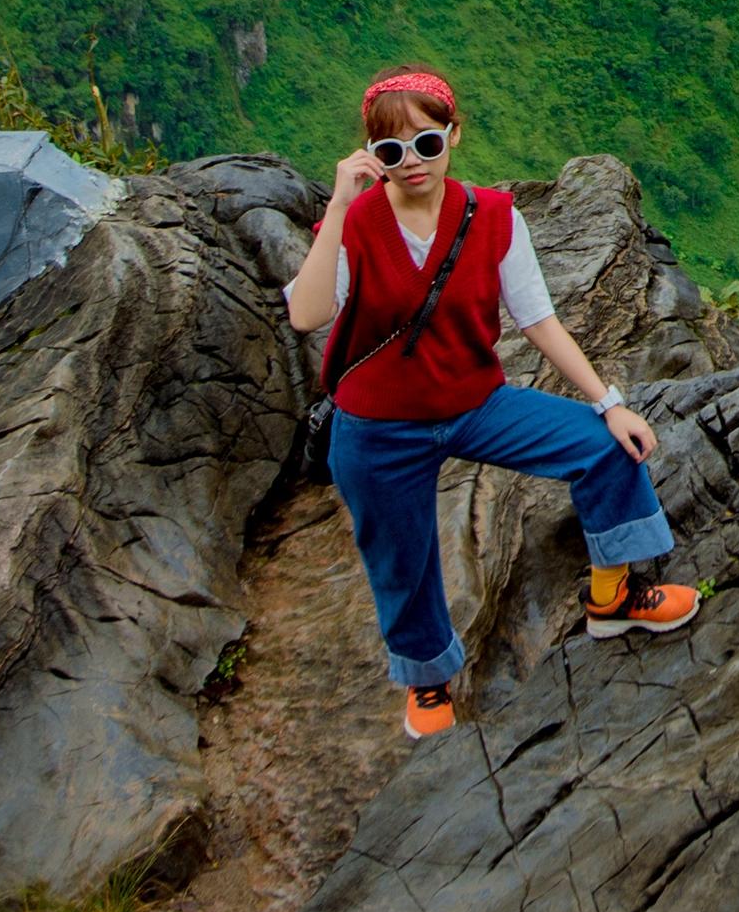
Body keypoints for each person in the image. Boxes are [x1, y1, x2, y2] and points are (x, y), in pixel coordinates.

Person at [287, 66, 699, 740]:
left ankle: (613, 598)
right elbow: (307, 314)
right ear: (371, 156)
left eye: (427, 143)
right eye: (391, 152)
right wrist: (337, 206)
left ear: (454, 136)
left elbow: (539, 320)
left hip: (474, 403)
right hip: (378, 427)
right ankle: (426, 680)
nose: (411, 163)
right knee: (404, 551)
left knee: (604, 447)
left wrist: (608, 402)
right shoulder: (358, 224)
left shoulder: (491, 217)